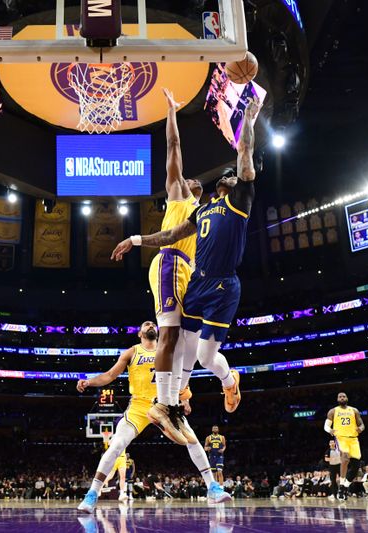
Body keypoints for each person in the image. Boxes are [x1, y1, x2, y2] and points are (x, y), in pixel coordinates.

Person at [112, 97, 261, 416]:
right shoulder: (200, 210)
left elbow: (244, 156)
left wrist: (248, 119)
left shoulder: (238, 202)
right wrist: (136, 239)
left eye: (230, 176)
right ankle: (177, 395)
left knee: (202, 354)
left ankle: (215, 382)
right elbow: (168, 234)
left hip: (219, 282)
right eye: (224, 176)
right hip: (194, 280)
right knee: (186, 347)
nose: (191, 179)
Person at [76, 321, 231, 513]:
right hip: (139, 407)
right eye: (145, 324)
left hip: (165, 404)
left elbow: (180, 378)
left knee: (192, 440)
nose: (150, 325)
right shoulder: (132, 352)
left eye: (152, 323)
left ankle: (212, 488)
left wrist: (186, 401)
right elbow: (109, 375)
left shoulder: (169, 349)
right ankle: (92, 493)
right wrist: (89, 382)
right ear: (139, 333)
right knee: (116, 445)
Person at [140, 88, 203, 445]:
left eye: (195, 182)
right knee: (168, 334)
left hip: (185, 270)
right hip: (167, 264)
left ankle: (170, 402)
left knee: (179, 336)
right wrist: (171, 112)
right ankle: (162, 404)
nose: (188, 179)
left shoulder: (202, 212)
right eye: (186, 179)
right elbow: (174, 149)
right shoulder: (179, 194)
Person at [324, 392, 365, 501]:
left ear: (347, 398)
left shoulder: (354, 410)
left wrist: (360, 428)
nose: (342, 398)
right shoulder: (333, 411)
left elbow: (362, 424)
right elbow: (326, 426)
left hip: (353, 439)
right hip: (341, 438)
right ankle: (341, 484)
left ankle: (344, 486)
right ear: (337, 399)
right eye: (340, 397)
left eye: (344, 396)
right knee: (345, 459)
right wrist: (330, 430)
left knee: (356, 466)